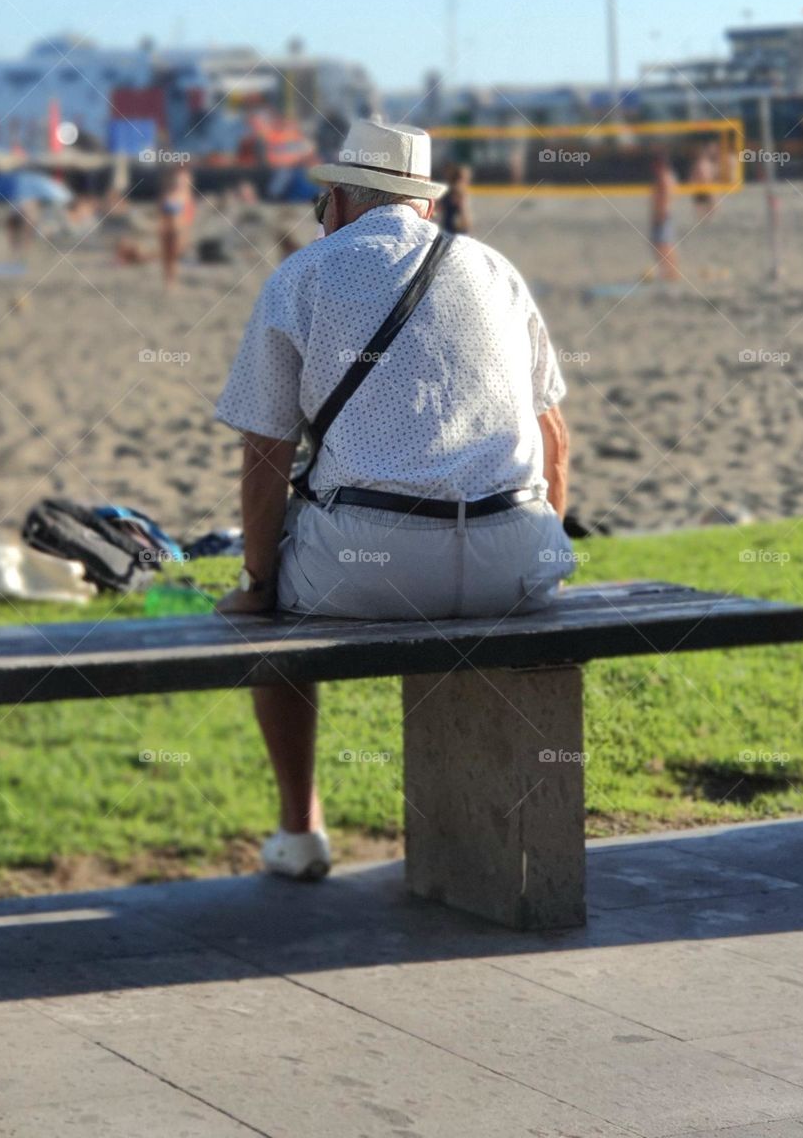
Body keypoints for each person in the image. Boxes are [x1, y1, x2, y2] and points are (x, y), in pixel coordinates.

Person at [214, 119, 573, 882]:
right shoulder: (494, 269)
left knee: (273, 602)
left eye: (322, 204)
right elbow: (555, 441)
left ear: (340, 199)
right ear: (424, 205)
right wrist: (547, 559)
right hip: (513, 561)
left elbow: (265, 456)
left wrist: (255, 582)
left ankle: (299, 826)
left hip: (369, 564)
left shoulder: (304, 276)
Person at [158, 166, 195, 290]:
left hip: (180, 228)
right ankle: (168, 281)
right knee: (167, 257)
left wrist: (186, 231)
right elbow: (161, 213)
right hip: (167, 228)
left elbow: (189, 215)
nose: (179, 181)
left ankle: (172, 281)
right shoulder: (167, 193)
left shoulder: (185, 195)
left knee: (174, 256)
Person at [649, 149, 680, 281]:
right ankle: (669, 271)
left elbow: (666, 197)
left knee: (664, 244)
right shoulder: (666, 175)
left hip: (663, 214)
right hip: (662, 213)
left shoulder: (664, 176)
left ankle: (672, 272)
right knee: (661, 244)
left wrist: (660, 214)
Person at [437, 162, 473, 234]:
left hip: (449, 225)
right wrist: (467, 223)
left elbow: (440, 207)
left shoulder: (451, 190)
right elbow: (462, 209)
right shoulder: (459, 191)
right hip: (454, 228)